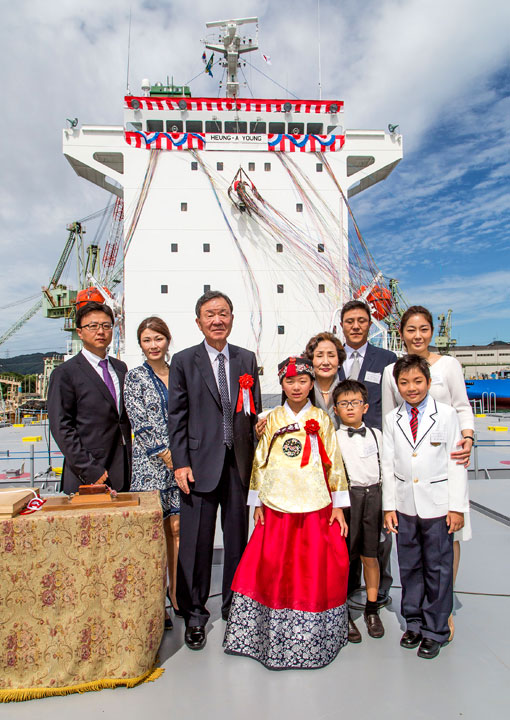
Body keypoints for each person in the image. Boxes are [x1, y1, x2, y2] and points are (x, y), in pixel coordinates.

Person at [224, 356, 350, 670]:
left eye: (303, 381)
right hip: (277, 506)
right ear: (281, 384)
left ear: (312, 384)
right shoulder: (271, 419)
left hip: (314, 505)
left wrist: (339, 506)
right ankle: (268, 634)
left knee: (310, 569)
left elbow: (333, 464)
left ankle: (311, 637)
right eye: (290, 381)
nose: (296, 387)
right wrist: (258, 503)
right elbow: (260, 462)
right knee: (272, 567)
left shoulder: (321, 419)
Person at [168, 290, 261, 651]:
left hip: (238, 466)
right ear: (199, 322)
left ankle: (236, 610)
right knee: (195, 546)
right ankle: (195, 616)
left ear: (232, 318)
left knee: (238, 543)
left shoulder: (246, 359)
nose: (217, 320)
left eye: (223, 313)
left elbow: (249, 414)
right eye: (210, 315)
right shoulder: (184, 360)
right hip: (198, 466)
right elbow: (176, 416)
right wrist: (181, 462)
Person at [381, 305, 474, 639]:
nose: (416, 335)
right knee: (411, 565)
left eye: (423, 329)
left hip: (440, 485)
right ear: (401, 333)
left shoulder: (447, 374)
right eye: (410, 330)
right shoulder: (393, 373)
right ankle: (415, 621)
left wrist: (468, 438)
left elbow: (462, 407)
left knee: (440, 559)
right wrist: (388, 505)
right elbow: (390, 445)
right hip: (407, 497)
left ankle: (439, 619)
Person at [338, 299, 397, 604]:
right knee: (345, 528)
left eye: (362, 320)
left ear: (370, 324)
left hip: (374, 451)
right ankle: (346, 591)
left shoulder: (386, 359)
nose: (356, 326)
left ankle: (380, 590)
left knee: (379, 532)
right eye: (350, 321)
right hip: (341, 452)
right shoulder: (331, 357)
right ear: (342, 325)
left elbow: (393, 405)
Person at [124, 317, 179, 631]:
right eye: (147, 340)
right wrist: (165, 452)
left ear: (167, 340)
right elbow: (139, 422)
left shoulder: (179, 374)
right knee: (155, 534)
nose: (154, 345)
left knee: (178, 529)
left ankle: (176, 594)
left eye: (158, 338)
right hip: (151, 466)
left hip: (180, 465)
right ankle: (156, 600)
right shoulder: (135, 378)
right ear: (141, 344)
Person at [47, 301, 131, 494]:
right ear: (79, 332)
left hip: (122, 471)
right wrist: (90, 469)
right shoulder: (65, 373)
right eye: (92, 326)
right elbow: (61, 427)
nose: (100, 331)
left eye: (106, 326)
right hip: (88, 476)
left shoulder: (120, 368)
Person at [333, 379, 384, 643]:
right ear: (336, 409)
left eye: (355, 403)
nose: (350, 408)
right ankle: (343, 612)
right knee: (346, 558)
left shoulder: (377, 435)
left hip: (374, 496)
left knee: (371, 556)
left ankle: (372, 609)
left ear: (365, 407)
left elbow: (386, 468)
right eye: (344, 404)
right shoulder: (333, 438)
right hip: (348, 498)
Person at [304, 331, 346, 428]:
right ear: (311, 359)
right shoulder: (303, 392)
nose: (326, 362)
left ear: (339, 360)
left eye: (331, 356)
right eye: (319, 356)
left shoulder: (347, 391)